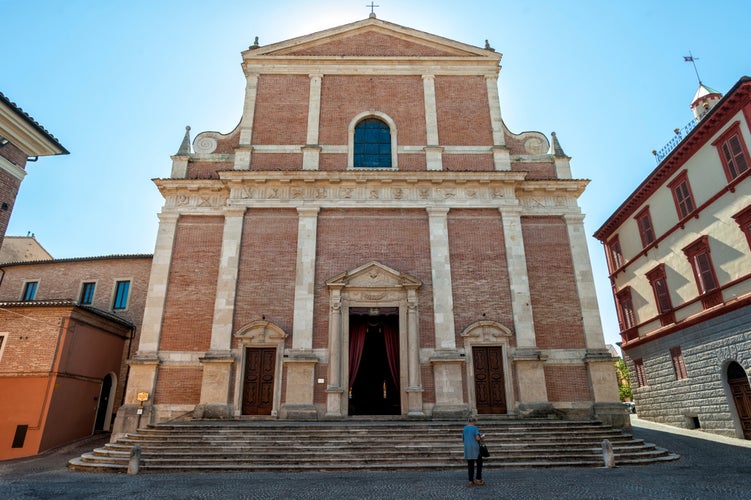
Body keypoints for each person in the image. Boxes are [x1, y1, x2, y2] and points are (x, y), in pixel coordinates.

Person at [462, 417, 485, 486]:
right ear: (474, 421)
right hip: (475, 448)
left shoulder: (465, 428)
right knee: (479, 464)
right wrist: (482, 437)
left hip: (467, 448)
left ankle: (470, 481)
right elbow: (477, 438)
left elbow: (463, 438)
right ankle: (478, 479)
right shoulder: (475, 428)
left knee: (470, 465)